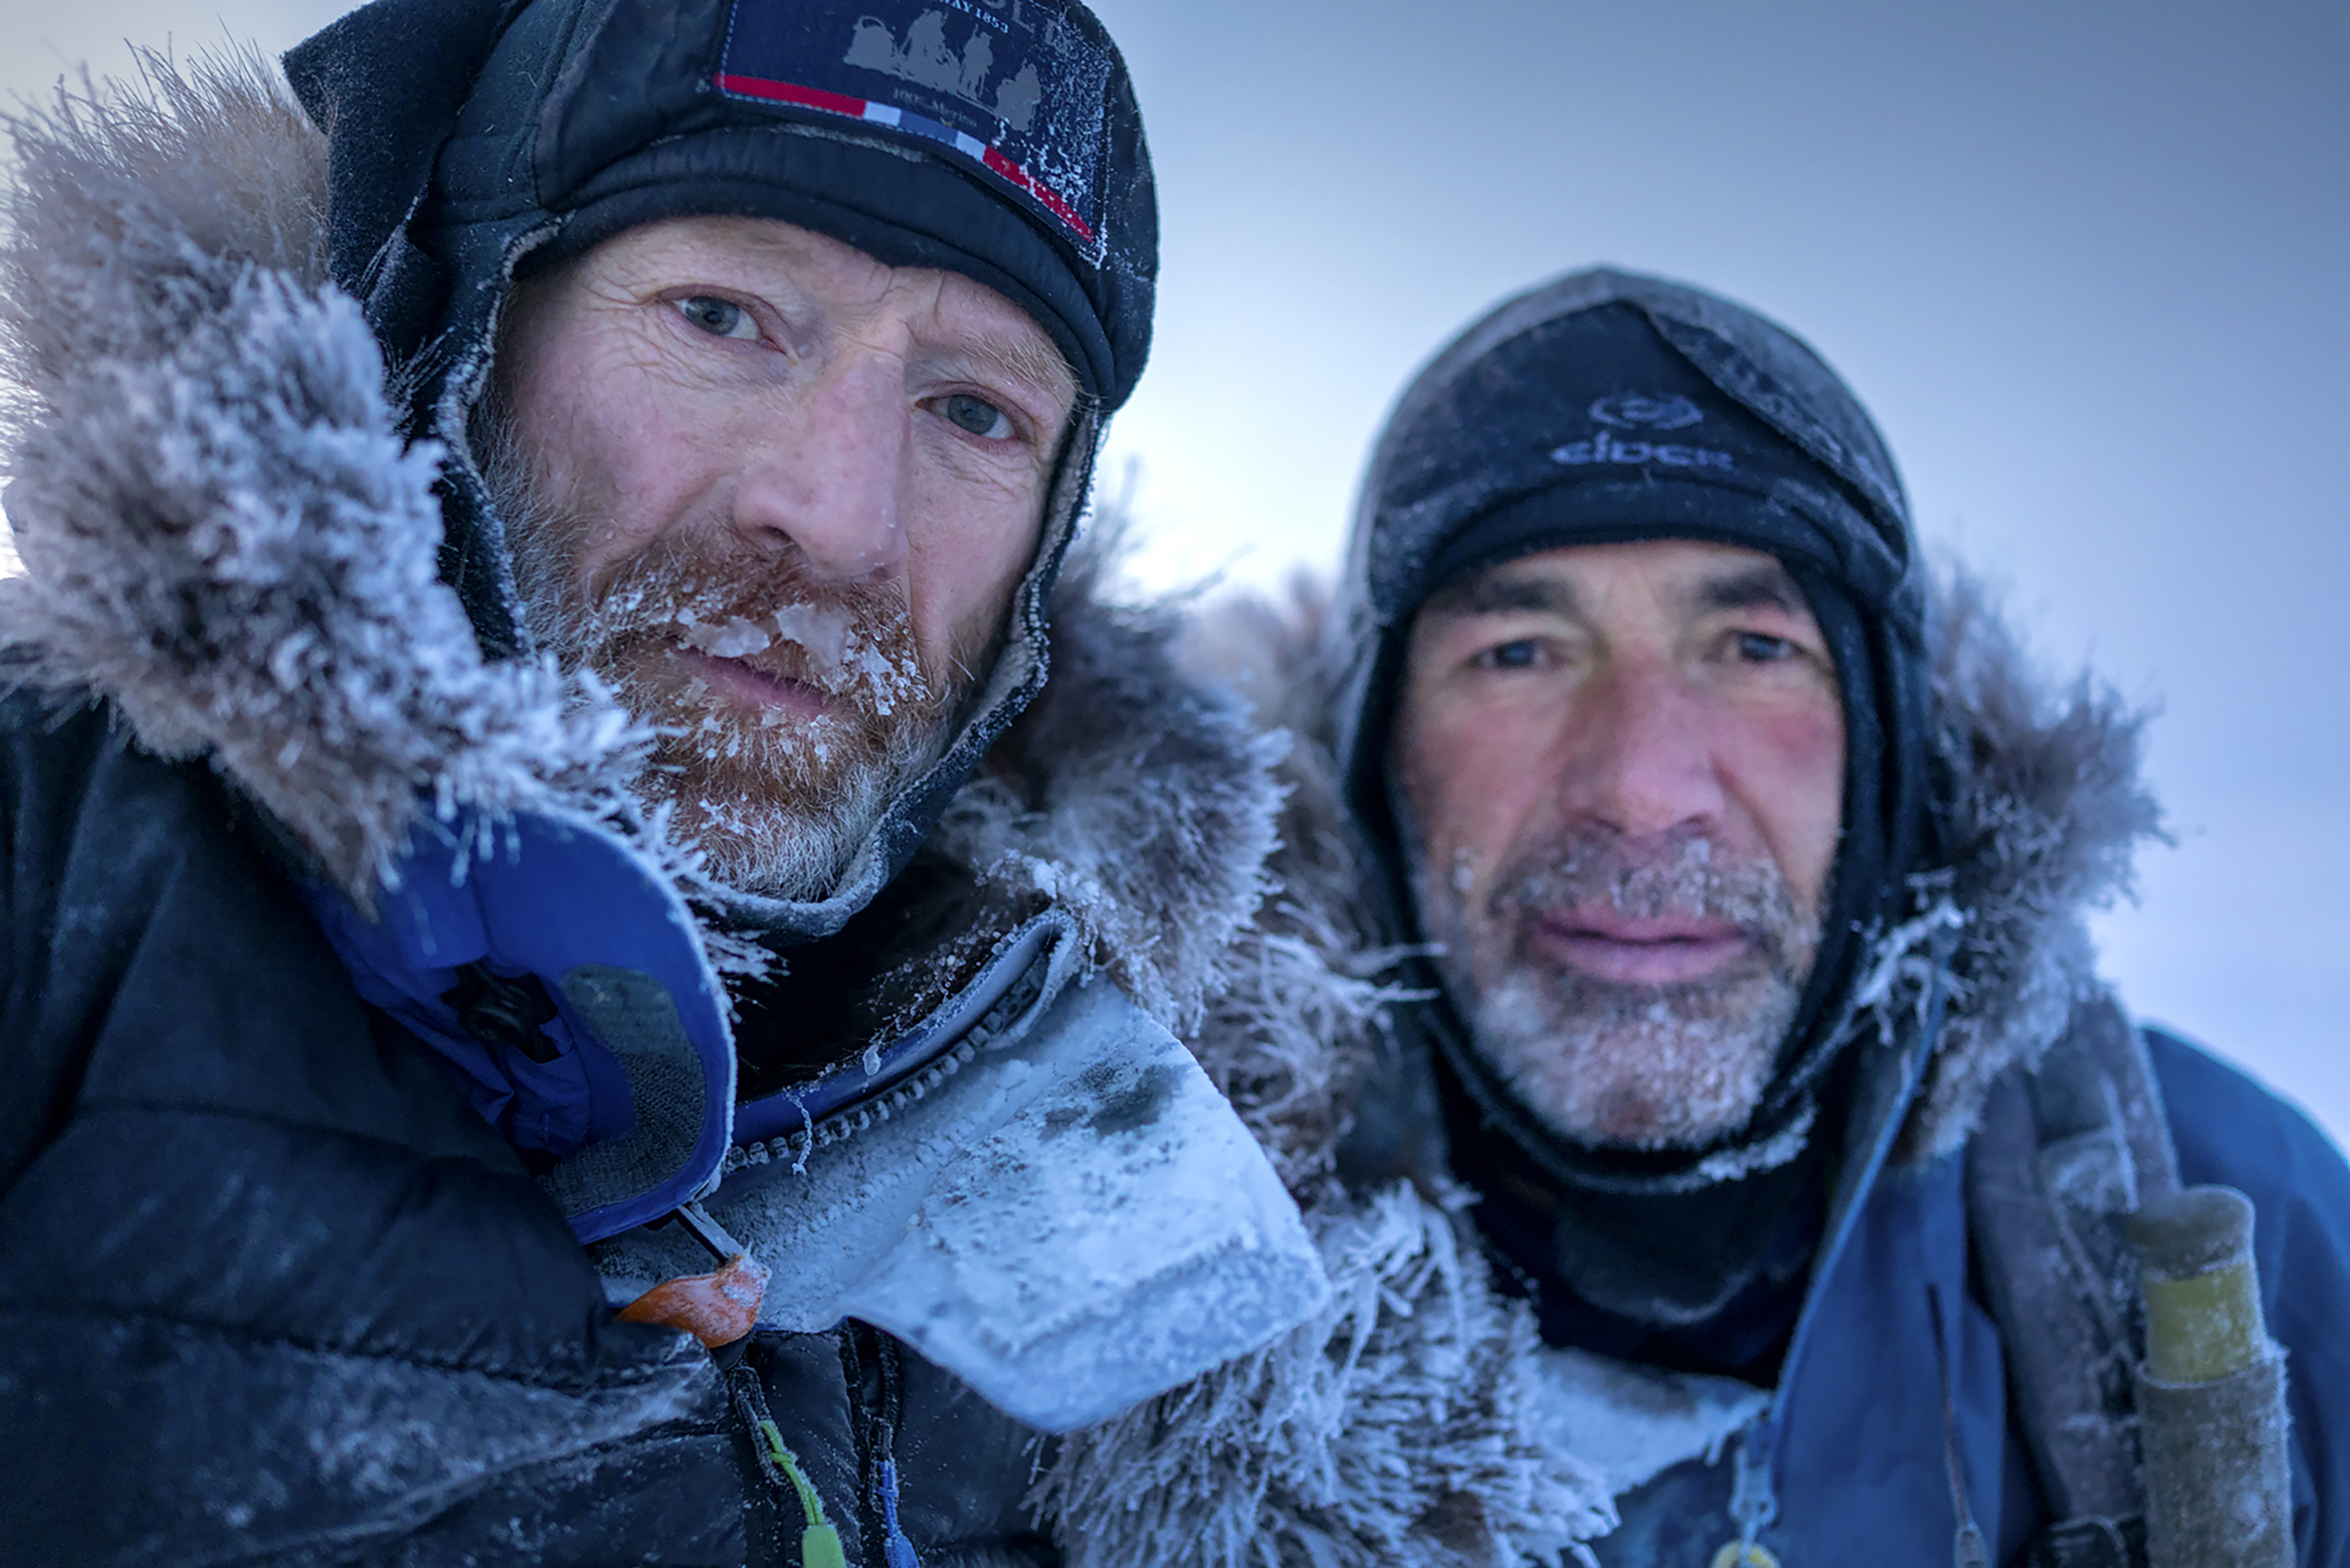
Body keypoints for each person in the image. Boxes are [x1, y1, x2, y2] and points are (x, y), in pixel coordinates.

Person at [0, 1, 1458, 1560]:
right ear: (459, 328)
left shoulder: (1147, 1151)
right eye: (721, 316)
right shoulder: (50, 864)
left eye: (972, 411)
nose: (836, 518)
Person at [1066, 270, 2350, 1566]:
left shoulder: (2254, 1215)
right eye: (1517, 653)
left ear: (1888, 754)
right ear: (1374, 763)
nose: (1638, 788)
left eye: (1750, 648)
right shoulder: (1083, 1267)